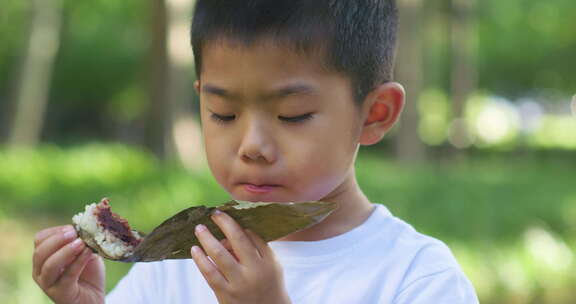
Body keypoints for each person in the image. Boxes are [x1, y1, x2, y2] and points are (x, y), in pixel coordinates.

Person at [32, 0, 479, 303]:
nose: (252, 146)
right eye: (223, 114)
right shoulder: (178, 260)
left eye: (293, 115)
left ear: (375, 113)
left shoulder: (416, 278)